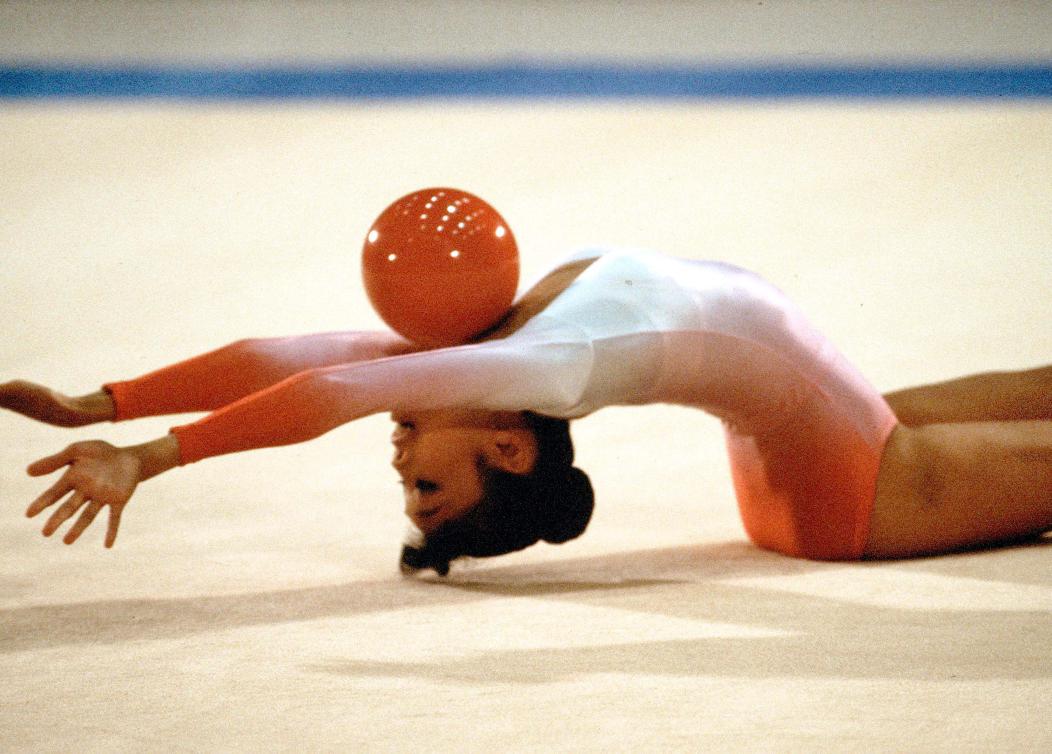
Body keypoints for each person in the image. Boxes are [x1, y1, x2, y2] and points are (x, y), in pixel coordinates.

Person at [2, 249, 1051, 575]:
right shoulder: (540, 367)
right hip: (849, 499)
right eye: (426, 481)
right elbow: (325, 396)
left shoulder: (488, 356)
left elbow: (297, 357)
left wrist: (108, 401)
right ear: (507, 447)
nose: (401, 440)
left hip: (813, 443)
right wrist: (146, 461)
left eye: (406, 473)